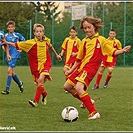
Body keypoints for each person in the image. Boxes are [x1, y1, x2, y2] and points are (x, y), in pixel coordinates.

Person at [63, 16, 131, 120]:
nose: (87, 30)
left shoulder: (101, 40)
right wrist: (70, 71)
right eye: (85, 28)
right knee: (67, 87)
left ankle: (94, 112)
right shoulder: (84, 41)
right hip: (81, 68)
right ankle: (88, 101)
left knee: (78, 88)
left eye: (89, 27)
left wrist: (122, 50)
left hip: (90, 69)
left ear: (95, 27)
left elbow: (113, 52)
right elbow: (78, 59)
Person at [2, 23, 62, 107]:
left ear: (43, 33)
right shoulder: (30, 43)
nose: (39, 33)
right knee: (39, 82)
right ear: (34, 33)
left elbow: (50, 47)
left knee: (41, 79)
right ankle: (44, 94)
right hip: (35, 67)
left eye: (40, 31)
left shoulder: (46, 40)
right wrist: (7, 42)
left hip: (46, 63)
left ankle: (35, 101)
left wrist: (56, 55)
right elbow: (16, 44)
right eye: (37, 31)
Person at [1, 21, 25, 95]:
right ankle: (20, 83)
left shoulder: (17, 35)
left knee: (9, 71)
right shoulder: (5, 36)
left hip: (15, 55)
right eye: (9, 27)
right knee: (11, 72)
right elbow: (3, 45)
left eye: (12, 27)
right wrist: (4, 50)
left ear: (14, 27)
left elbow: (24, 42)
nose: (10, 28)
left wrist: (20, 49)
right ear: (7, 28)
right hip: (9, 55)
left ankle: (7, 89)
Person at [59, 26, 81, 93]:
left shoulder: (78, 41)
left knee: (67, 71)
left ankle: (70, 86)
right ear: (69, 32)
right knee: (66, 72)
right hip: (67, 59)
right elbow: (63, 48)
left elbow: (81, 51)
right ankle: (70, 85)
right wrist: (61, 54)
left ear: (76, 33)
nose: (72, 33)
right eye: (71, 32)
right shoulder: (67, 39)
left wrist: (75, 54)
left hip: (74, 60)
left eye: (74, 32)